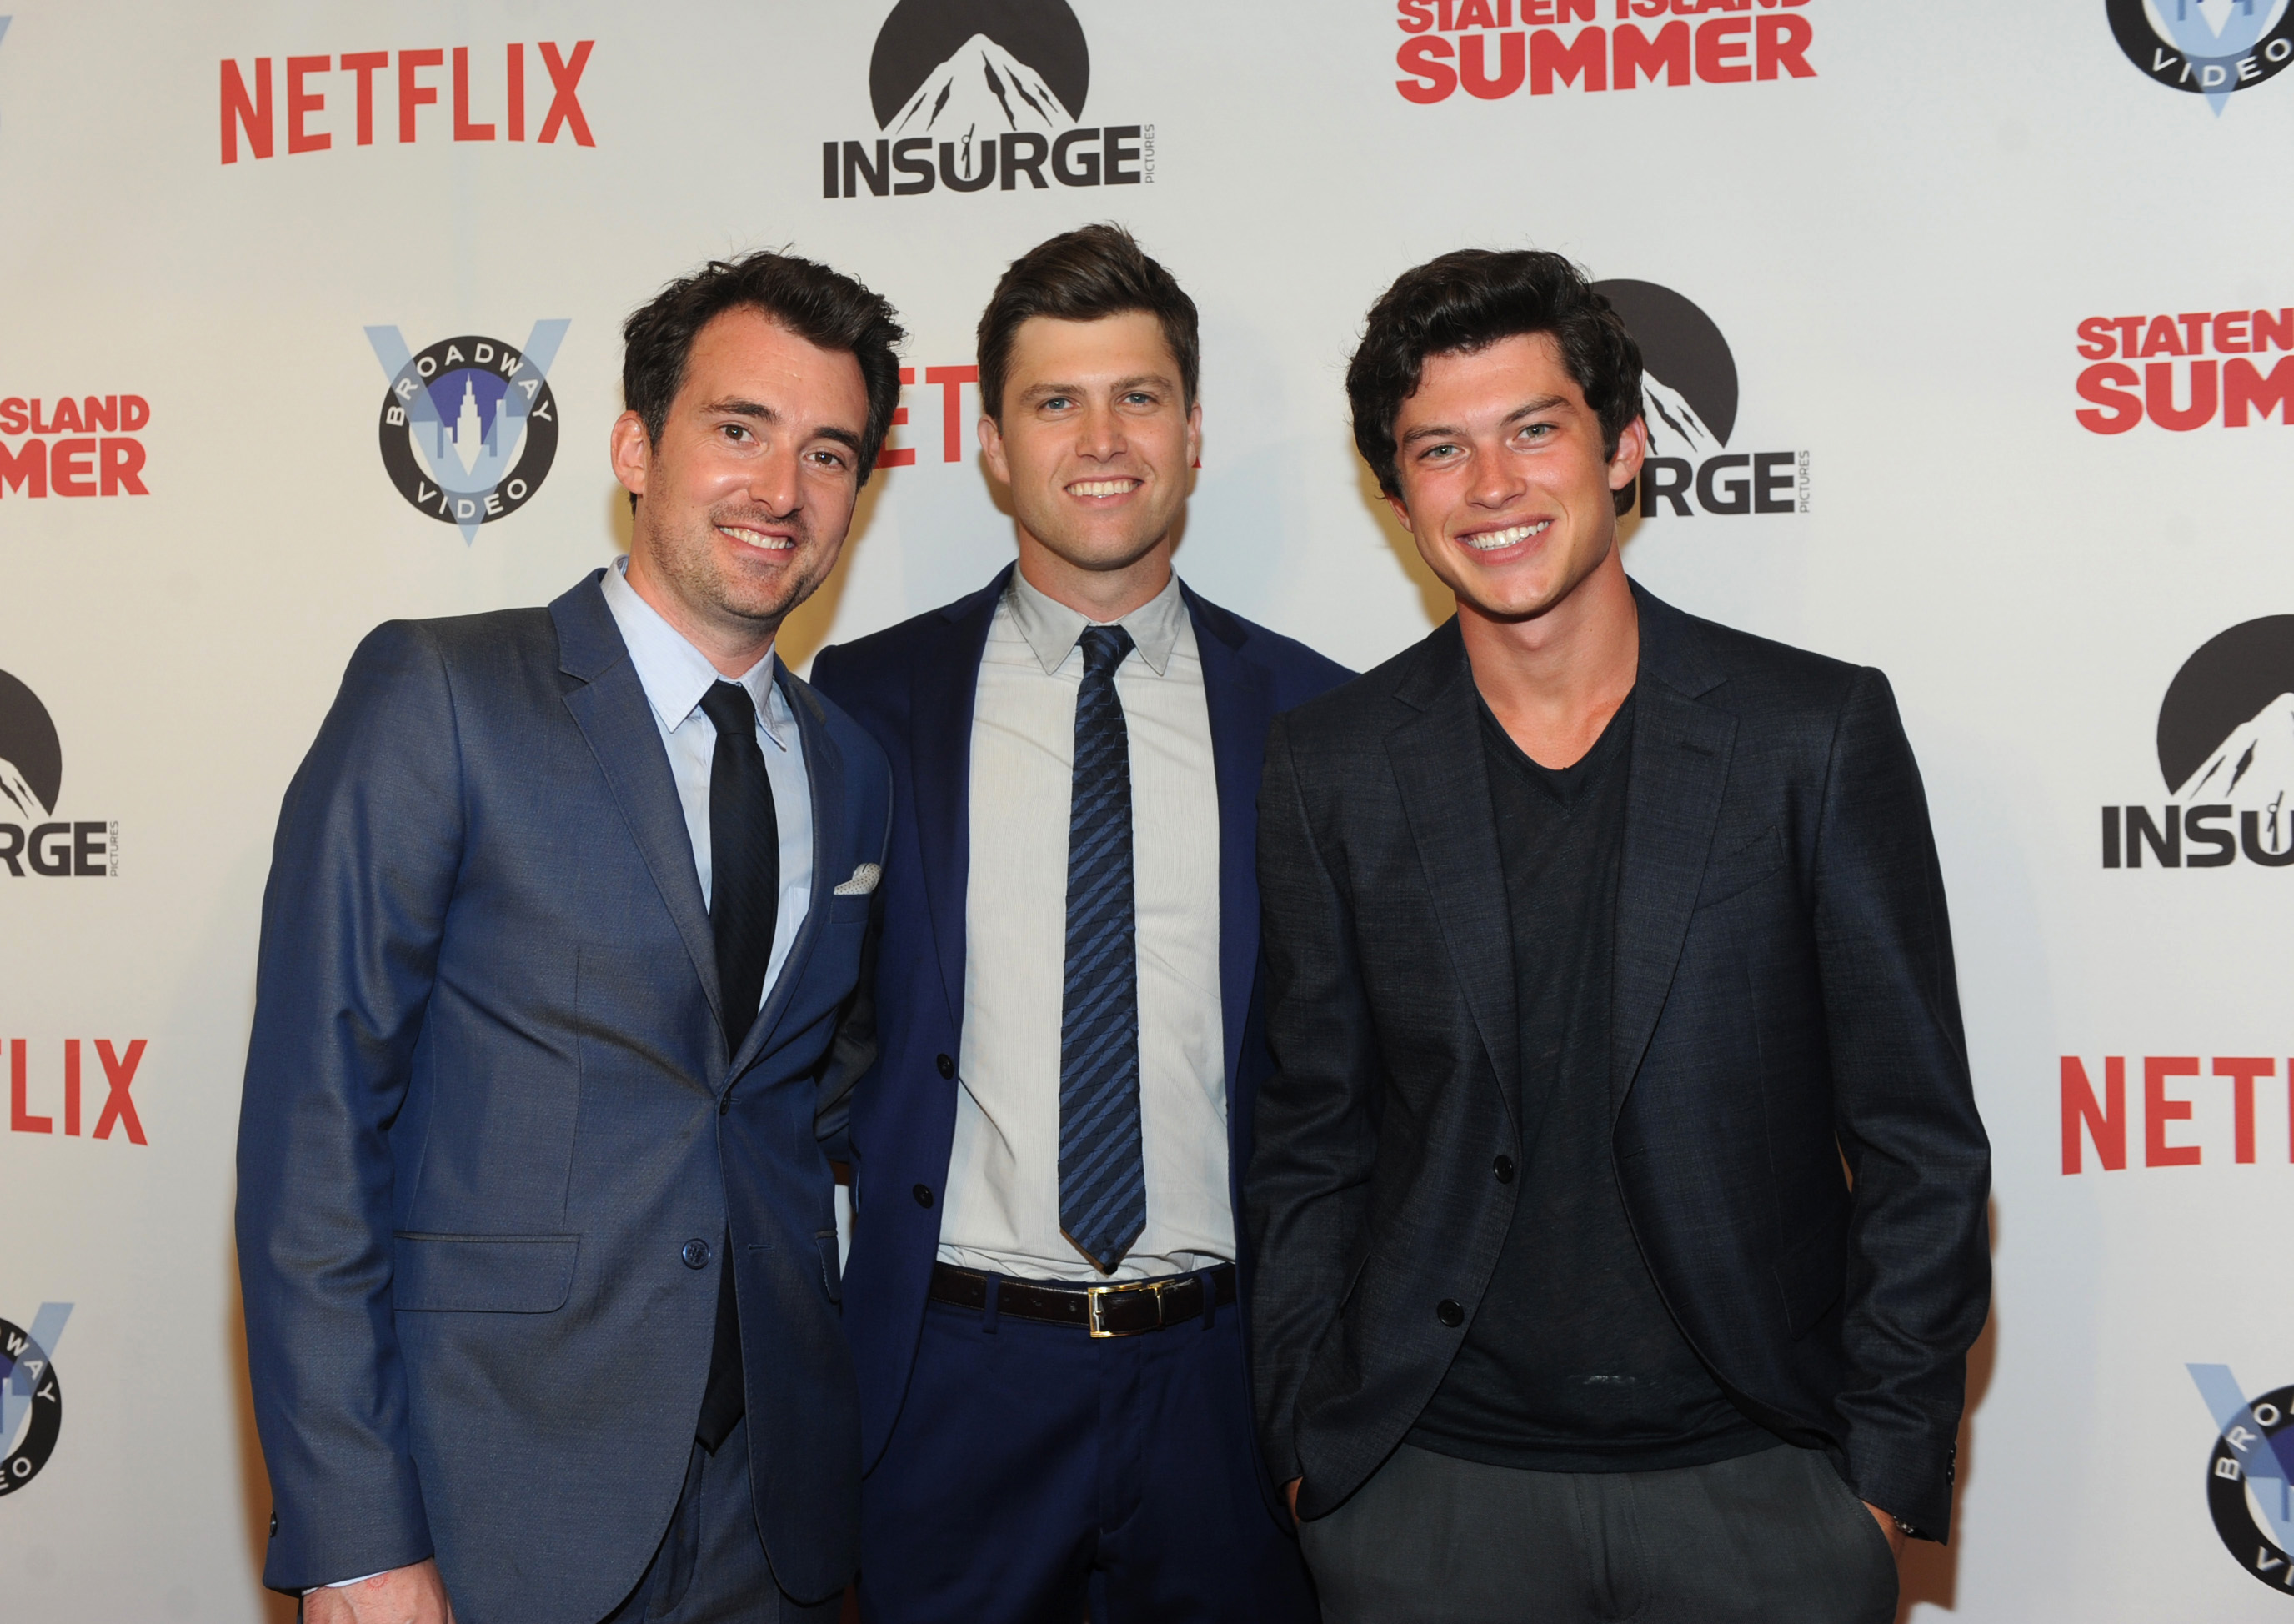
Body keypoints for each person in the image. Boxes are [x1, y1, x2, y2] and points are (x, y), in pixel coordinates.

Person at [1245, 248, 1991, 1624]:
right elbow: (1310, 1137)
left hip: (1763, 1490)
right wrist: (1314, 1451)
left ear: (1627, 447)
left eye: (1534, 429)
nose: (1494, 487)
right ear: (1398, 492)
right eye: (1440, 451)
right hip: (1428, 1502)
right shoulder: (1330, 766)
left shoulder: (1808, 738)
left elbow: (1920, 1141)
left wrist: (1875, 1479)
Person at [235, 251, 904, 1624]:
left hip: (771, 1519)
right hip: (492, 1501)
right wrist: (357, 1537)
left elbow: (798, 1098)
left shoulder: (854, 769)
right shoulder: (445, 696)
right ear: (634, 446)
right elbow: (315, 1134)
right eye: (739, 430)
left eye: (828, 453)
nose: (781, 491)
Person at [810, 224, 1344, 1624]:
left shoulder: (1323, 721)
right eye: (1055, 401)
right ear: (992, 444)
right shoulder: (862, 706)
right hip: (952, 1384)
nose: (1101, 437)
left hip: (1231, 1390)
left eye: (1139, 396)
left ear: (1193, 431)